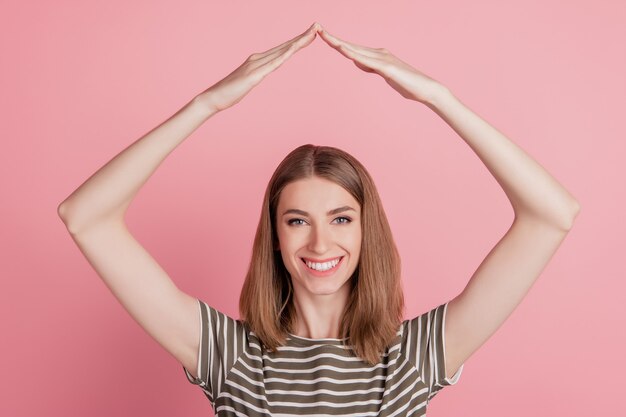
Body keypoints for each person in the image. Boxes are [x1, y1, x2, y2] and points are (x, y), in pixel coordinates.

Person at [58, 22, 580, 416]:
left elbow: (552, 214)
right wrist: (207, 103)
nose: (320, 243)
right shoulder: (228, 354)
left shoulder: (414, 356)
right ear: (275, 237)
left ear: (365, 228)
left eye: (341, 218)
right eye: (297, 221)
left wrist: (436, 97)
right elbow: (85, 216)